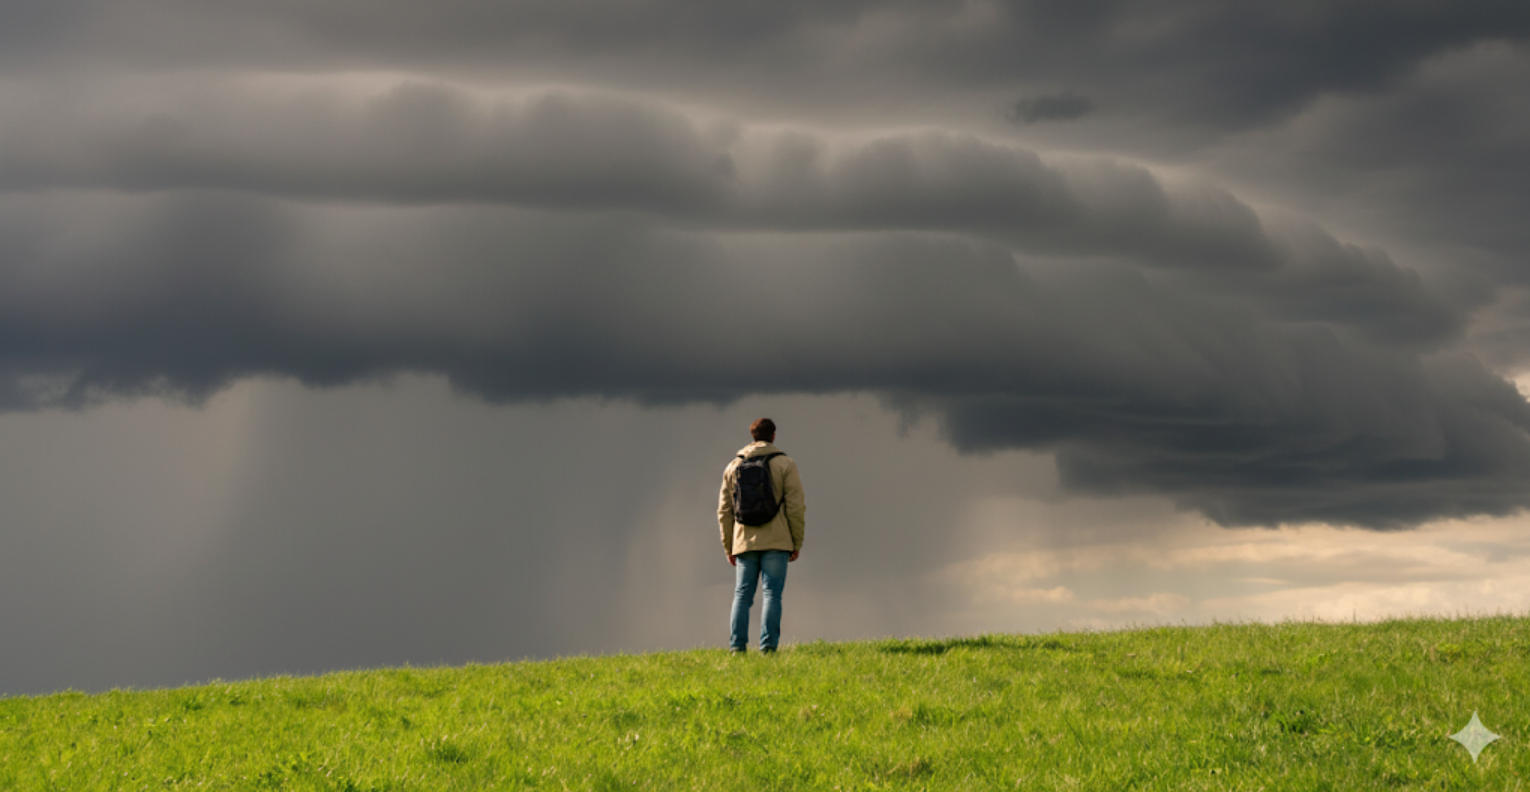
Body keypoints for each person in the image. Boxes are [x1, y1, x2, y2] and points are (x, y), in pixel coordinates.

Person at [717, 417, 806, 654]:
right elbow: (796, 507)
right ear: (773, 435)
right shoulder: (786, 464)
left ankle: (737, 647)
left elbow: (724, 511)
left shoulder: (732, 466)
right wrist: (796, 542)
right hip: (777, 540)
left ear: (752, 435)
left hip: (743, 540)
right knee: (772, 594)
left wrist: (729, 546)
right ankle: (768, 648)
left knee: (742, 595)